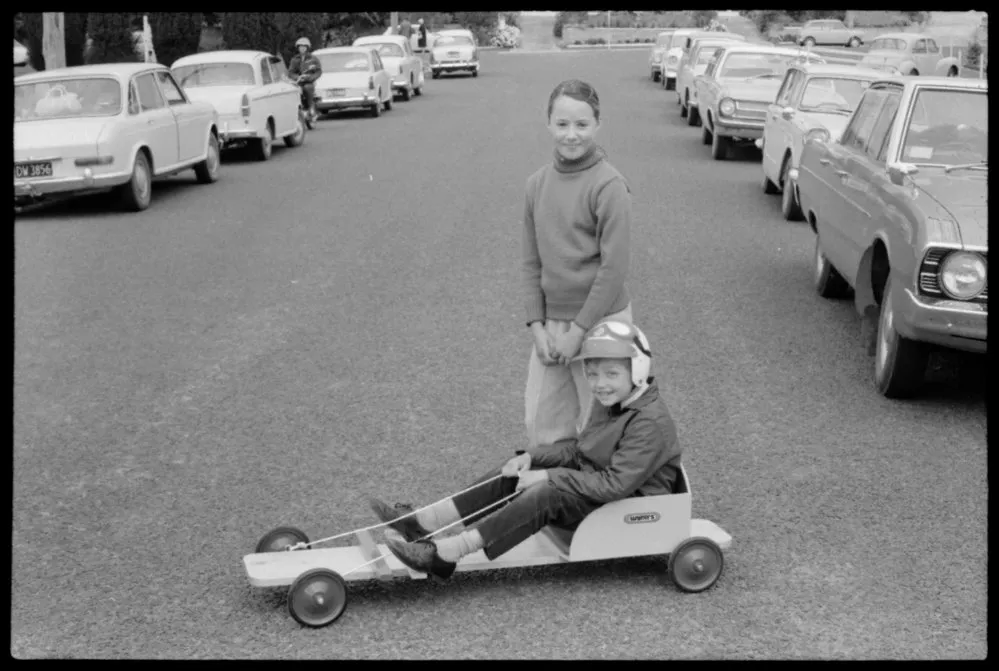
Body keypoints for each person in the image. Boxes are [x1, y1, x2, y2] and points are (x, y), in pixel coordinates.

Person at [369, 320, 681, 580]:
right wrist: (531, 458)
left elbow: (615, 485)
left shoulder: (649, 422)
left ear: (637, 369)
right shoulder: (613, 401)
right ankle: (423, 522)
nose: (599, 384)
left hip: (631, 508)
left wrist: (548, 476)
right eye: (594, 373)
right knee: (517, 470)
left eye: (611, 374)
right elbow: (581, 453)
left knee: (547, 492)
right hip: (599, 489)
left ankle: (447, 554)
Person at [522, 78, 635, 452]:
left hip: (602, 323)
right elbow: (531, 263)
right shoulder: (536, 185)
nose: (572, 135)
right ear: (548, 124)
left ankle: (598, 506)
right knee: (542, 424)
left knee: (600, 429)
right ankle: (555, 503)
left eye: (582, 125)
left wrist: (579, 332)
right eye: (563, 124)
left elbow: (613, 268)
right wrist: (537, 327)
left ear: (597, 125)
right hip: (553, 326)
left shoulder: (609, 185)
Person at [288, 37, 322, 113]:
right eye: (300, 47)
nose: (302, 48)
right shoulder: (294, 59)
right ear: (298, 48)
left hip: (309, 82)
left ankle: (311, 107)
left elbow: (318, 71)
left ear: (307, 48)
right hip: (298, 82)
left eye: (304, 47)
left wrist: (311, 78)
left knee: (307, 87)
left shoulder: (313, 59)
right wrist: (297, 77)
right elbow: (290, 73)